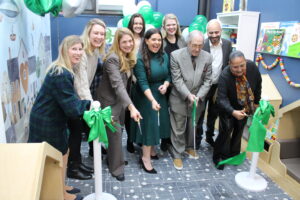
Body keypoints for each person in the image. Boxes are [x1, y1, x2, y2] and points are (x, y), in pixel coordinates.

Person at [28, 35, 92, 200]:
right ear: (65, 50)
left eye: (80, 49)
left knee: (64, 152)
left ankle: (60, 186)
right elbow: (71, 108)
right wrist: (89, 105)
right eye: (74, 49)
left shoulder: (63, 68)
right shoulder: (61, 73)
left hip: (52, 118)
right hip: (47, 122)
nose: (78, 53)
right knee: (58, 156)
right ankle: (60, 195)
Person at [96, 28, 142, 181]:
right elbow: (118, 85)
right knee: (115, 134)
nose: (128, 44)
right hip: (109, 103)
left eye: (130, 41)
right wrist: (131, 106)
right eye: (124, 42)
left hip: (119, 102)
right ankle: (116, 168)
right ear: (117, 42)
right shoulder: (112, 59)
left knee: (117, 133)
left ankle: (114, 157)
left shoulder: (127, 56)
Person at [67, 18, 107, 180]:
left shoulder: (95, 51)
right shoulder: (81, 52)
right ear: (88, 33)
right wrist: (92, 106)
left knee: (78, 133)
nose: (99, 37)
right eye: (96, 33)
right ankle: (73, 168)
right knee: (75, 134)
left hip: (81, 98)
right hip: (73, 98)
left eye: (102, 34)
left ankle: (77, 163)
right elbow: (81, 84)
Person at [169, 30, 212, 170]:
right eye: (194, 45)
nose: (197, 49)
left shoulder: (207, 57)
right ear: (188, 43)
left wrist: (199, 96)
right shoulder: (176, 55)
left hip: (198, 98)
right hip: (180, 97)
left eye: (200, 45)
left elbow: (208, 80)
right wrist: (188, 95)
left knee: (193, 125)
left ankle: (189, 147)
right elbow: (177, 79)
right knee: (178, 127)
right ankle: (177, 154)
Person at [130, 28, 171, 174]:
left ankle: (153, 150)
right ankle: (145, 158)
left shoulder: (164, 55)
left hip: (160, 93)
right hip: (145, 95)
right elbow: (142, 82)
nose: (157, 42)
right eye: (153, 39)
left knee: (158, 124)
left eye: (159, 40)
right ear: (146, 41)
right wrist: (152, 100)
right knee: (149, 125)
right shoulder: (140, 58)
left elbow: (169, 75)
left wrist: (165, 85)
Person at [213, 50, 262, 170]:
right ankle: (219, 157)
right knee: (225, 132)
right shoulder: (225, 75)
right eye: (235, 67)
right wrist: (233, 112)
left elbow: (258, 84)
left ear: (245, 62)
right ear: (229, 64)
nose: (239, 69)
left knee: (238, 132)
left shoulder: (252, 68)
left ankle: (234, 155)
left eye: (242, 65)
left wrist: (256, 102)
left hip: (244, 106)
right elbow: (221, 99)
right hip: (228, 108)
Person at [196, 19, 232, 149]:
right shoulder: (202, 45)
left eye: (216, 32)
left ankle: (209, 136)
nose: (214, 35)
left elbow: (227, 66)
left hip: (219, 87)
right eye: (210, 33)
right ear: (207, 33)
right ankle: (197, 140)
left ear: (221, 31)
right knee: (200, 114)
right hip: (203, 86)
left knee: (213, 113)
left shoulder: (228, 45)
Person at [160, 13, 187, 151]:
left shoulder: (183, 41)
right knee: (165, 112)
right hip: (165, 81)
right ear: (164, 26)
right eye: (168, 25)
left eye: (173, 24)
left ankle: (174, 139)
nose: (171, 27)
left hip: (179, 82)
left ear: (177, 25)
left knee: (177, 113)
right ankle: (165, 139)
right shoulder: (161, 41)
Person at [125, 13, 146, 153]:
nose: (138, 25)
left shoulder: (146, 40)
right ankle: (130, 139)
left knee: (142, 110)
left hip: (144, 82)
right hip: (130, 82)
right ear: (131, 24)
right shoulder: (127, 40)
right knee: (129, 113)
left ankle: (140, 138)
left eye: (140, 23)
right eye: (135, 23)